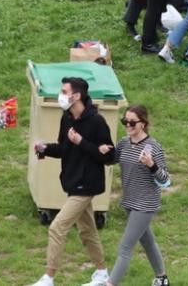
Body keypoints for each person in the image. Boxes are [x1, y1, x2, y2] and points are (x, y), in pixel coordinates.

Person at [29, 76, 116, 286]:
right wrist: (45, 149)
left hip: (87, 185)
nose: (60, 95)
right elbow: (64, 149)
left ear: (76, 96)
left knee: (57, 228)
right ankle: (102, 273)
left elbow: (109, 157)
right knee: (87, 231)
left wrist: (81, 142)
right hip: (72, 182)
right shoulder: (66, 117)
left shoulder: (96, 122)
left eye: (64, 92)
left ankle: (49, 278)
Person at [103, 104, 169, 286]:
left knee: (125, 248)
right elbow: (111, 160)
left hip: (145, 204)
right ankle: (162, 278)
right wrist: (104, 151)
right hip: (129, 201)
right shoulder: (124, 143)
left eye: (132, 122)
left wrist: (151, 165)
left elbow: (165, 180)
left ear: (143, 123)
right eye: (125, 121)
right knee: (148, 241)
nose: (128, 125)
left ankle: (110, 284)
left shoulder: (153, 147)